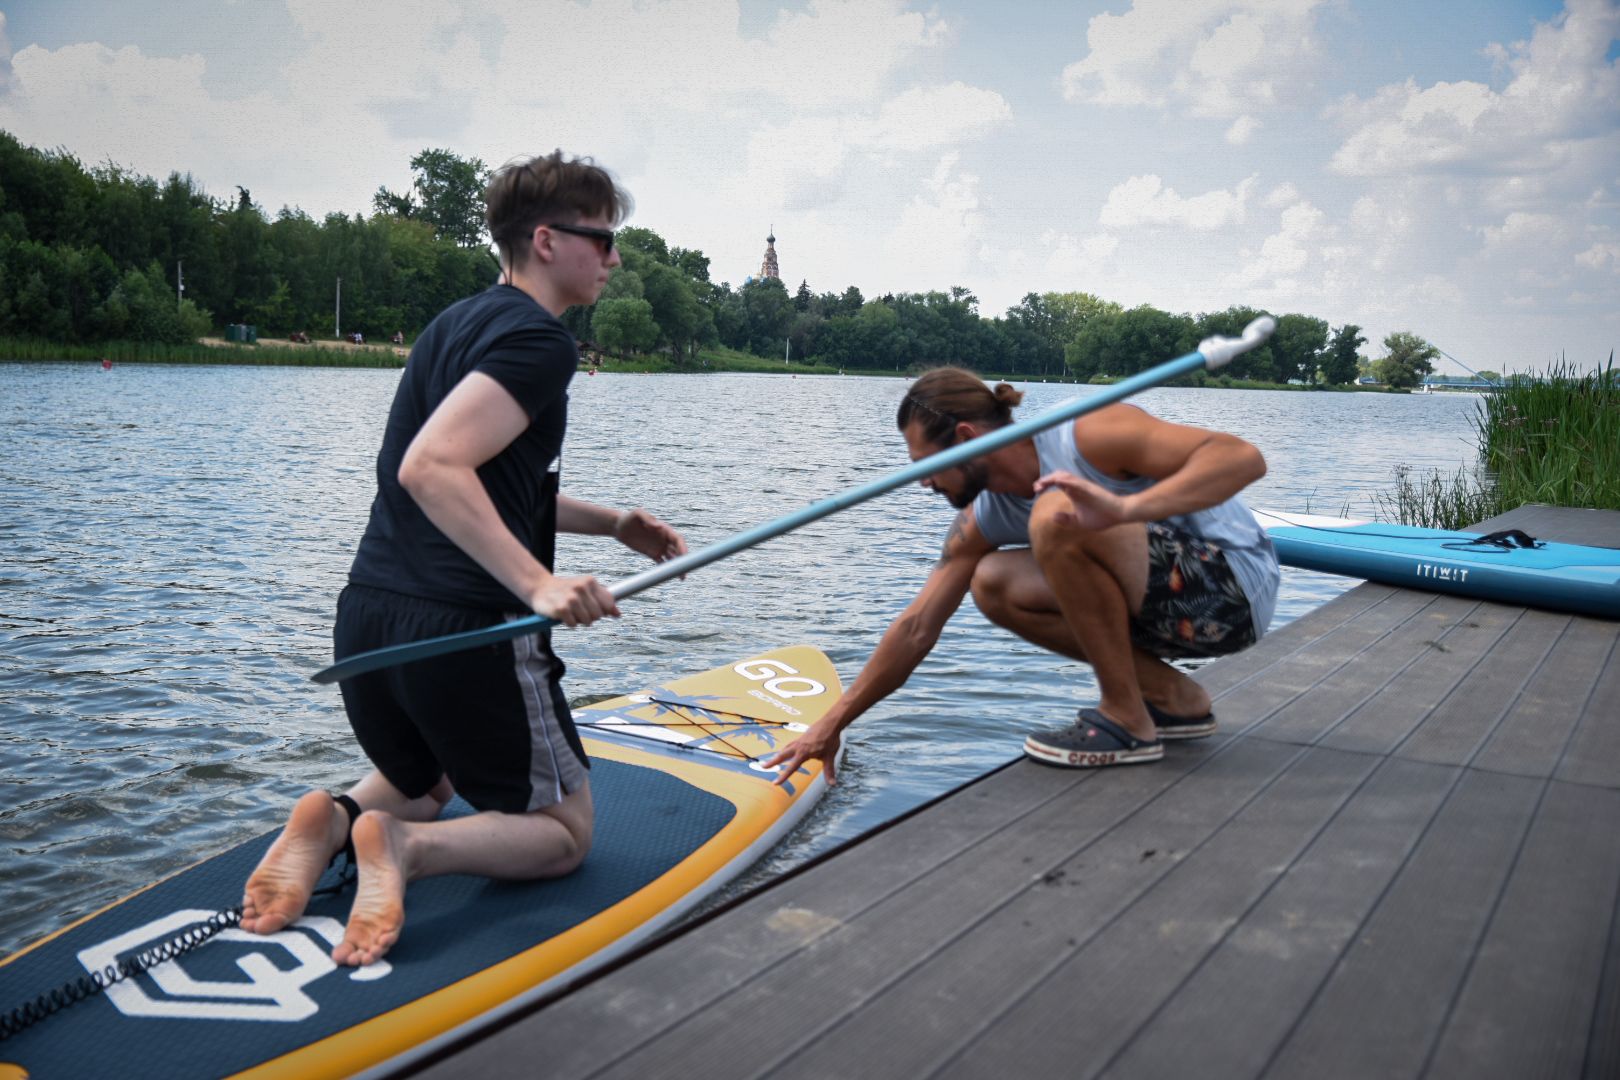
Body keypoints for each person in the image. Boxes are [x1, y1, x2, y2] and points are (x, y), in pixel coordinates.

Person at [241, 151, 686, 966]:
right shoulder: (543, 344)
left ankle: (334, 819)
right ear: (547, 240)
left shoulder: (456, 324)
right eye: (603, 240)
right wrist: (538, 584)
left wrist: (613, 522)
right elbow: (432, 468)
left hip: (373, 617)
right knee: (563, 833)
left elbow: (474, 482)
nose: (615, 258)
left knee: (429, 776)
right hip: (466, 626)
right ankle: (406, 850)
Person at [765, 368, 1278, 777]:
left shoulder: (1088, 431)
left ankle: (1126, 719)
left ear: (965, 438)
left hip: (1233, 590)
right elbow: (918, 627)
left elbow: (1242, 458)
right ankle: (1175, 699)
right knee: (991, 582)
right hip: (1169, 610)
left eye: (926, 467)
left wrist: (1125, 510)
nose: (924, 485)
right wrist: (830, 724)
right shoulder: (983, 517)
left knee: (1055, 513)